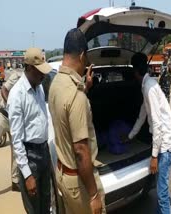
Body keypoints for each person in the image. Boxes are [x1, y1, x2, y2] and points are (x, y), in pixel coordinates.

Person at [48, 28, 105, 214]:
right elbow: (80, 152)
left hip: (63, 174)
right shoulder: (75, 96)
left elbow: (67, 110)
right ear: (82, 55)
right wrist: (94, 194)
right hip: (80, 183)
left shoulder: (55, 84)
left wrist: (84, 88)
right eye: (86, 59)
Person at [125, 52, 171, 214]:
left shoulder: (149, 88)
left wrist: (154, 156)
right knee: (160, 193)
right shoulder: (147, 85)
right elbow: (142, 114)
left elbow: (157, 123)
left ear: (135, 72)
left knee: (161, 194)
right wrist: (130, 136)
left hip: (164, 146)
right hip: (162, 143)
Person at [7, 47, 53, 213]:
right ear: (29, 68)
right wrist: (27, 175)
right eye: (39, 71)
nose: (43, 75)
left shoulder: (39, 87)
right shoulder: (17, 95)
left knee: (46, 204)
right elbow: (16, 139)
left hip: (44, 152)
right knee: (34, 209)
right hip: (30, 156)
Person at [0, 68, 23, 191]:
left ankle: (15, 181)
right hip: (3, 117)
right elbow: (4, 90)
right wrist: (11, 104)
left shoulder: (33, 85)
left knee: (17, 151)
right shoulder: (17, 76)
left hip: (15, 122)